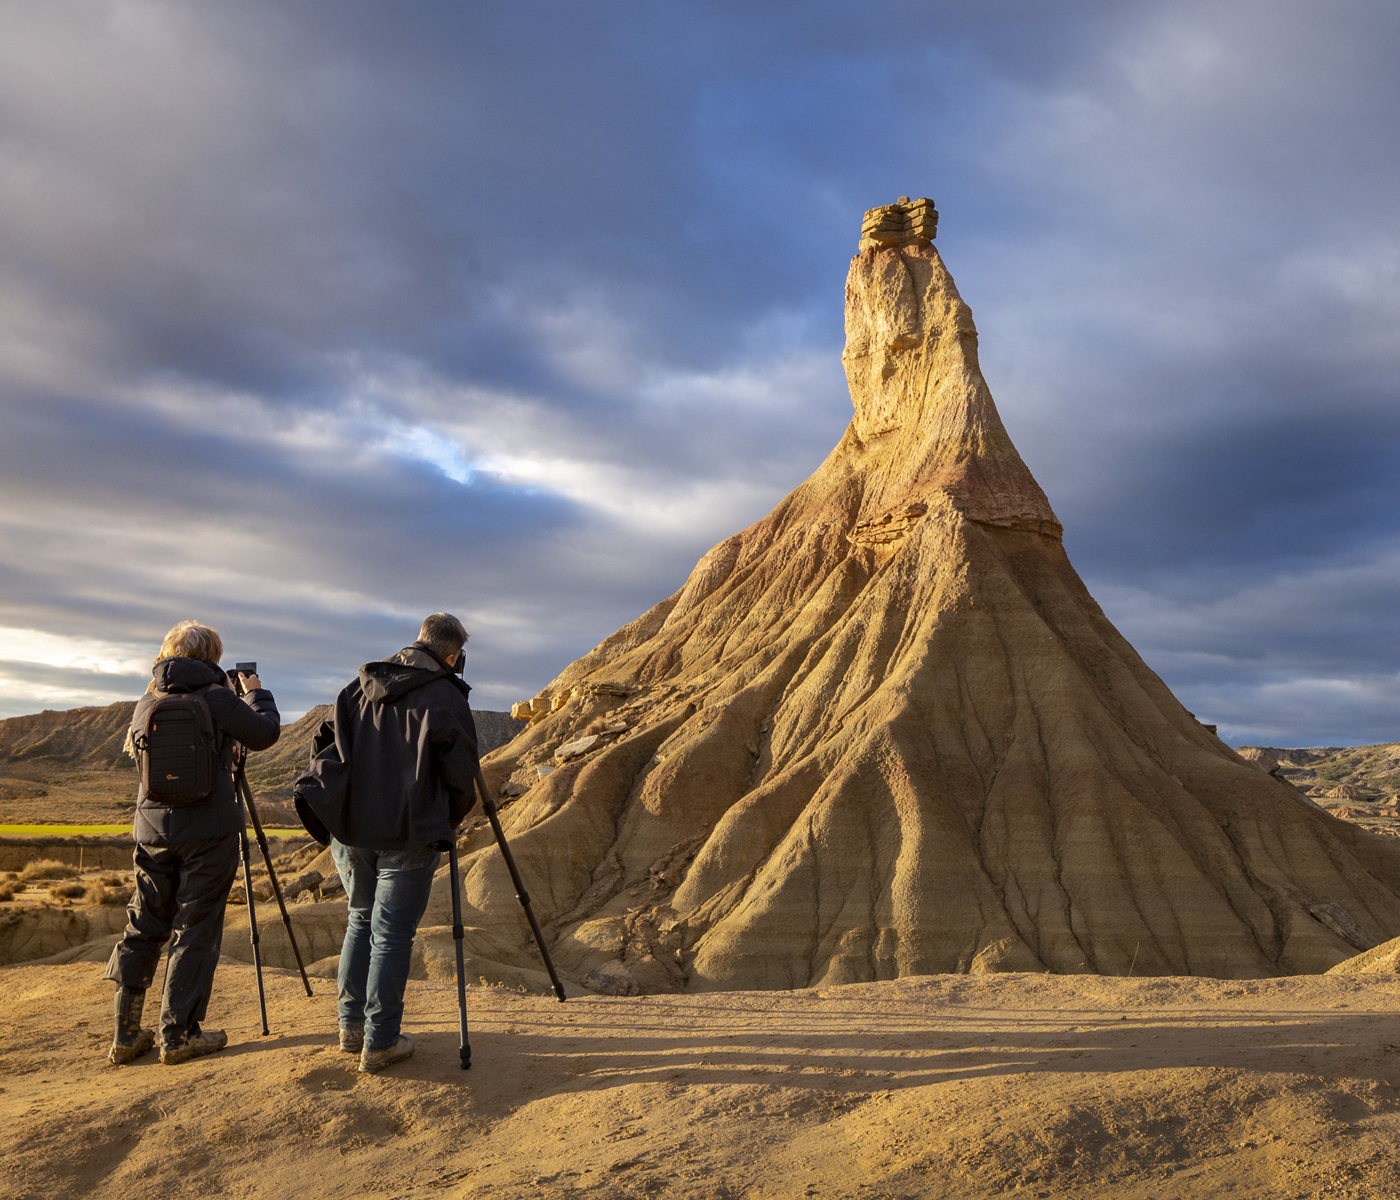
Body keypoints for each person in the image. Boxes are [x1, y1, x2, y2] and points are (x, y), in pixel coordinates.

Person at [293, 613, 479, 1073]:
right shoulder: (446, 696)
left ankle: (350, 1029)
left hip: (352, 831)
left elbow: (322, 745)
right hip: (408, 831)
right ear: (452, 656)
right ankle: (380, 1042)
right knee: (392, 934)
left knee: (360, 921)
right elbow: (462, 778)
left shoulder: (359, 685)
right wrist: (444, 822)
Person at [104, 620, 280, 1065]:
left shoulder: (148, 699)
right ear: (213, 658)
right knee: (196, 927)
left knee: (144, 923)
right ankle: (178, 1034)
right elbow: (264, 734)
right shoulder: (216, 696)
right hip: (209, 830)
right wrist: (256, 693)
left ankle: (126, 1034)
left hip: (151, 829)